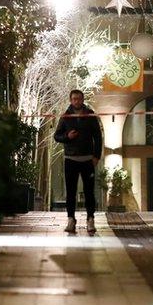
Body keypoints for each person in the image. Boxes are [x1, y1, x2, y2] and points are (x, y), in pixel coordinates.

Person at [54, 90, 103, 234]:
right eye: (74, 99)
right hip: (70, 159)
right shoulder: (66, 116)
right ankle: (70, 219)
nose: (76, 101)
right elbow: (57, 136)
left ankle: (90, 219)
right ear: (70, 100)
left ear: (82, 99)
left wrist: (96, 156)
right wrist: (67, 136)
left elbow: (98, 136)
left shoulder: (90, 115)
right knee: (70, 192)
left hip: (87, 159)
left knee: (89, 192)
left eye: (79, 99)